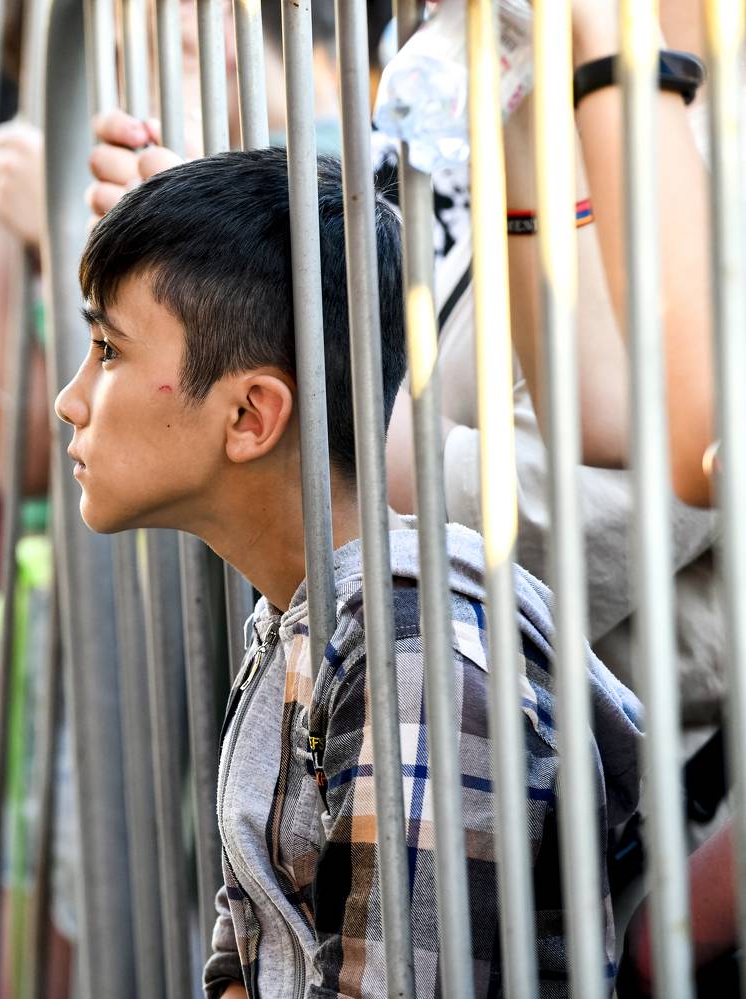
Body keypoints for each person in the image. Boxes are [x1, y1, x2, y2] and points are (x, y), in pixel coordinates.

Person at [55, 148, 644, 996]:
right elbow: (246, 956)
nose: (70, 399)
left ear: (251, 415)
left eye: (107, 350)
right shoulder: (298, 617)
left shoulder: (413, 661)